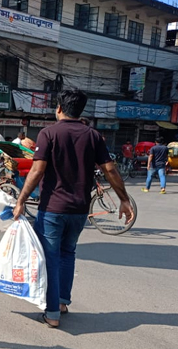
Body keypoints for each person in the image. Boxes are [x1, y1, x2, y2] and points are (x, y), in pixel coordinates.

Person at [12, 89, 134, 328]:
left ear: (59, 108)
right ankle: (62, 302)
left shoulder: (49, 133)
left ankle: (52, 314)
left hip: (53, 209)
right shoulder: (93, 136)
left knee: (51, 258)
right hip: (79, 210)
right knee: (68, 253)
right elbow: (110, 169)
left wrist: (21, 200)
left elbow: (37, 171)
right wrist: (124, 199)